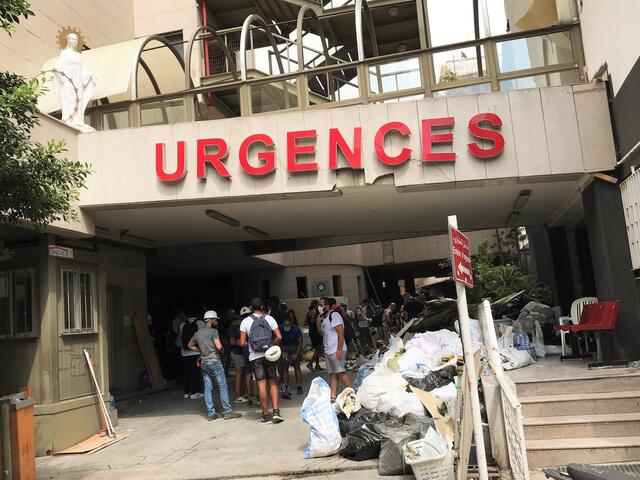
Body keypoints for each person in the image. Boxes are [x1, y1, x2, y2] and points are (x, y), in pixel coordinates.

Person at [188, 311, 241, 421]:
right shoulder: (214, 331)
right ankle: (227, 411)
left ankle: (211, 414)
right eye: (215, 320)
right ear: (210, 320)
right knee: (222, 386)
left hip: (204, 363)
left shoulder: (198, 333)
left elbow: (189, 345)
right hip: (215, 361)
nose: (216, 322)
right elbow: (219, 346)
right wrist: (222, 352)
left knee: (208, 388)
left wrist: (201, 351)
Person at [240, 298, 284, 424]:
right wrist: (271, 346)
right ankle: (276, 412)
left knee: (261, 384)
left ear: (250, 307)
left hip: (255, 357)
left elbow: (242, 342)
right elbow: (279, 337)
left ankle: (265, 414)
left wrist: (252, 344)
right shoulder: (269, 319)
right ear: (263, 307)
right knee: (273, 382)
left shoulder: (245, 321)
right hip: (269, 355)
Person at [319, 297, 353, 401]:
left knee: (340, 372)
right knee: (333, 373)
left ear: (327, 306)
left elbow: (340, 332)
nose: (319, 307)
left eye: (321, 305)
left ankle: (352, 392)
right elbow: (322, 334)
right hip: (329, 349)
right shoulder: (325, 318)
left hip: (336, 349)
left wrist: (339, 349)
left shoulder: (334, 315)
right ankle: (333, 396)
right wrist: (317, 322)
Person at [278, 314, 303, 398]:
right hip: (283, 347)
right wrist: (281, 352)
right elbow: (277, 342)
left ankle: (299, 386)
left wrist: (297, 353)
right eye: (285, 322)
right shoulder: (280, 329)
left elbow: (300, 342)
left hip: (294, 347)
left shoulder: (295, 329)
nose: (287, 323)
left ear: (291, 322)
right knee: (285, 367)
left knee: (296, 366)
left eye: (288, 322)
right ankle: (285, 387)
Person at [180, 316, 203, 399]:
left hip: (185, 354)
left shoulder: (182, 324)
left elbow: (181, 337)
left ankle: (186, 393)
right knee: (195, 373)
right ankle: (194, 393)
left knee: (186, 372)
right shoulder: (200, 323)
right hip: (196, 353)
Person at [227, 314, 249, 403]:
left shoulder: (233, 327)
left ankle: (242, 394)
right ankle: (239, 395)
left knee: (243, 373)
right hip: (237, 353)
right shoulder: (233, 328)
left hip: (239, 353)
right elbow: (233, 342)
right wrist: (245, 343)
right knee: (240, 373)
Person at [306, 299, 324, 372]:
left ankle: (317, 365)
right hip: (315, 331)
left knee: (317, 347)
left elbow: (306, 321)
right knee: (319, 348)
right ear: (315, 304)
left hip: (312, 331)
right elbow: (313, 320)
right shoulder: (314, 311)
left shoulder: (309, 312)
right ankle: (310, 363)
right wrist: (319, 319)